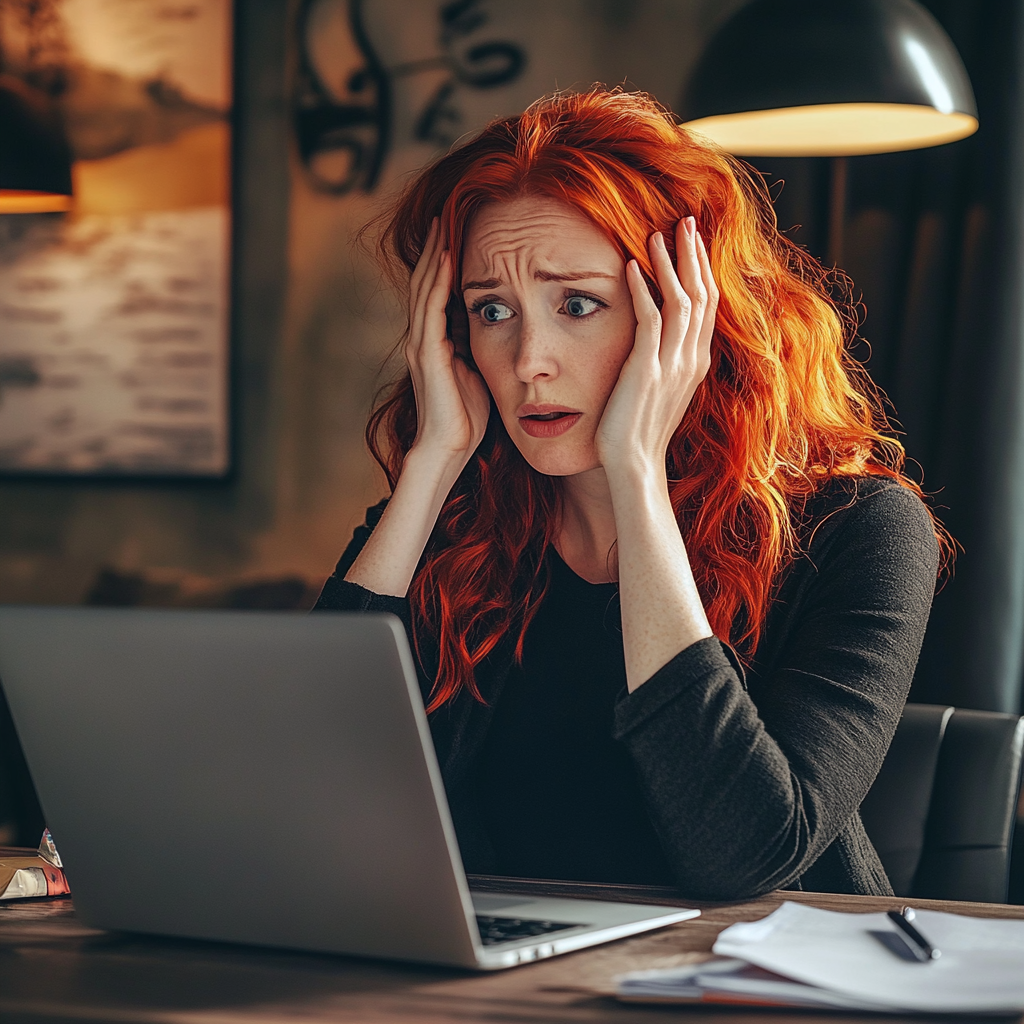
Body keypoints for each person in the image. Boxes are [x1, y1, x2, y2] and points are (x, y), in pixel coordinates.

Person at [314, 88, 948, 900]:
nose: (528, 359)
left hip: (761, 990)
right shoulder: (457, 519)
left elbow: (743, 858)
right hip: (506, 984)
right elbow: (318, 797)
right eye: (490, 310)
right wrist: (433, 461)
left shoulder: (860, 531)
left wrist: (636, 472)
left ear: (684, 316)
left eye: (577, 304)